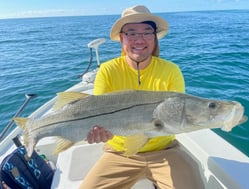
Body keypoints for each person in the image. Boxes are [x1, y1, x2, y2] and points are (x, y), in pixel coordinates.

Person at [79, 5, 205, 189]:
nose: (140, 39)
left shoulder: (171, 71)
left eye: (147, 32)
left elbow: (176, 118)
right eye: (132, 33)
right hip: (119, 153)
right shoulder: (107, 70)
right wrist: (98, 133)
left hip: (164, 151)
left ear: (154, 38)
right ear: (122, 38)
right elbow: (97, 113)